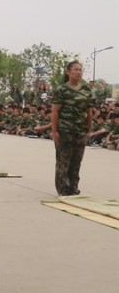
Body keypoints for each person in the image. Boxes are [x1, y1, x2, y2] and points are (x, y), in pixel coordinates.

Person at [51, 61, 92, 196]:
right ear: (68, 72)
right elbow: (55, 112)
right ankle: (63, 190)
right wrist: (55, 131)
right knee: (63, 163)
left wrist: (89, 130)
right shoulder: (61, 90)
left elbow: (89, 111)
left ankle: (73, 188)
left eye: (80, 70)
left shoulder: (86, 90)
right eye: (75, 70)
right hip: (65, 131)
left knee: (76, 163)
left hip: (80, 132)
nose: (79, 72)